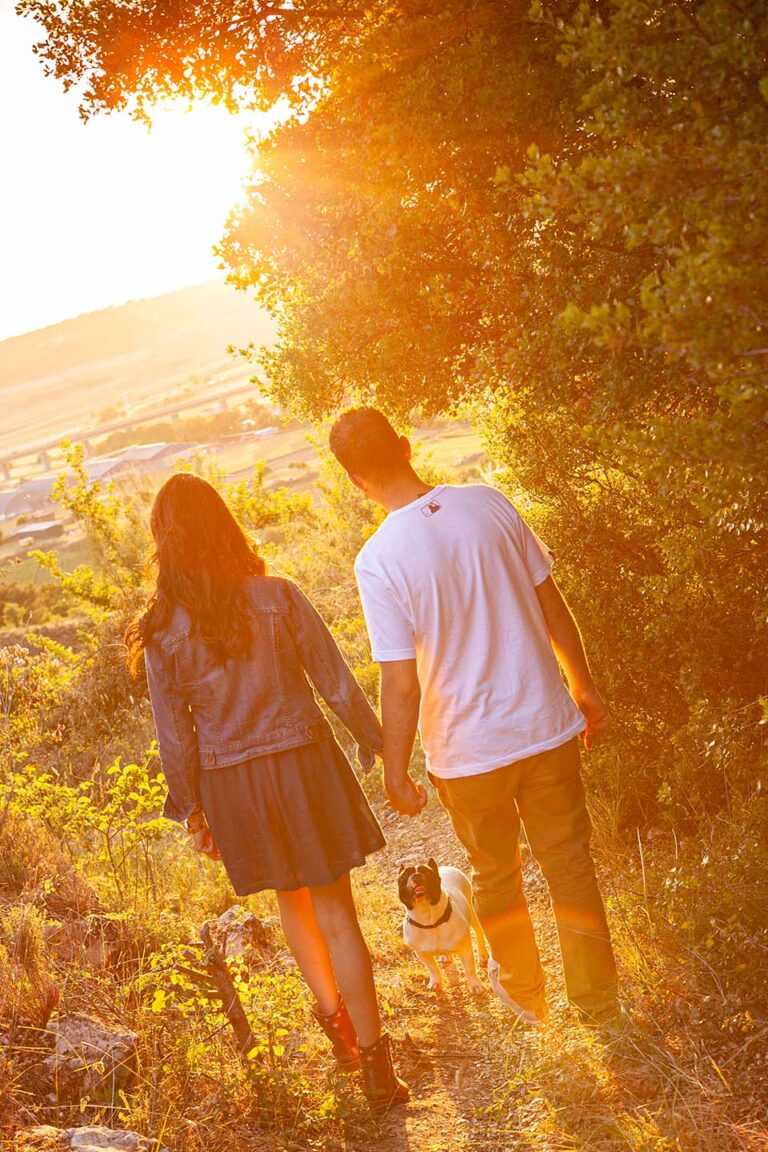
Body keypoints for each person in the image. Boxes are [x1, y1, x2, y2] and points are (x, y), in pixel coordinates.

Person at [125, 473, 408, 1111]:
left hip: (234, 784)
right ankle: (375, 1069)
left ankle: (336, 1031)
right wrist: (379, 746)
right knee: (340, 914)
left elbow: (175, 738)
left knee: (293, 903)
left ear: (164, 544)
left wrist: (194, 809)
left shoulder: (161, 629)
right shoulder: (278, 596)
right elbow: (336, 685)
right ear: (225, 525)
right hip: (304, 763)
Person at [329, 407, 620, 1027]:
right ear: (405, 447)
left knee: (494, 874)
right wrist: (584, 687)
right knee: (569, 864)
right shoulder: (489, 503)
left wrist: (396, 769)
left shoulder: (378, 560)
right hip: (544, 723)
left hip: (466, 752)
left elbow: (400, 682)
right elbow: (552, 603)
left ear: (355, 481)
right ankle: (597, 1007)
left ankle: (527, 1002)